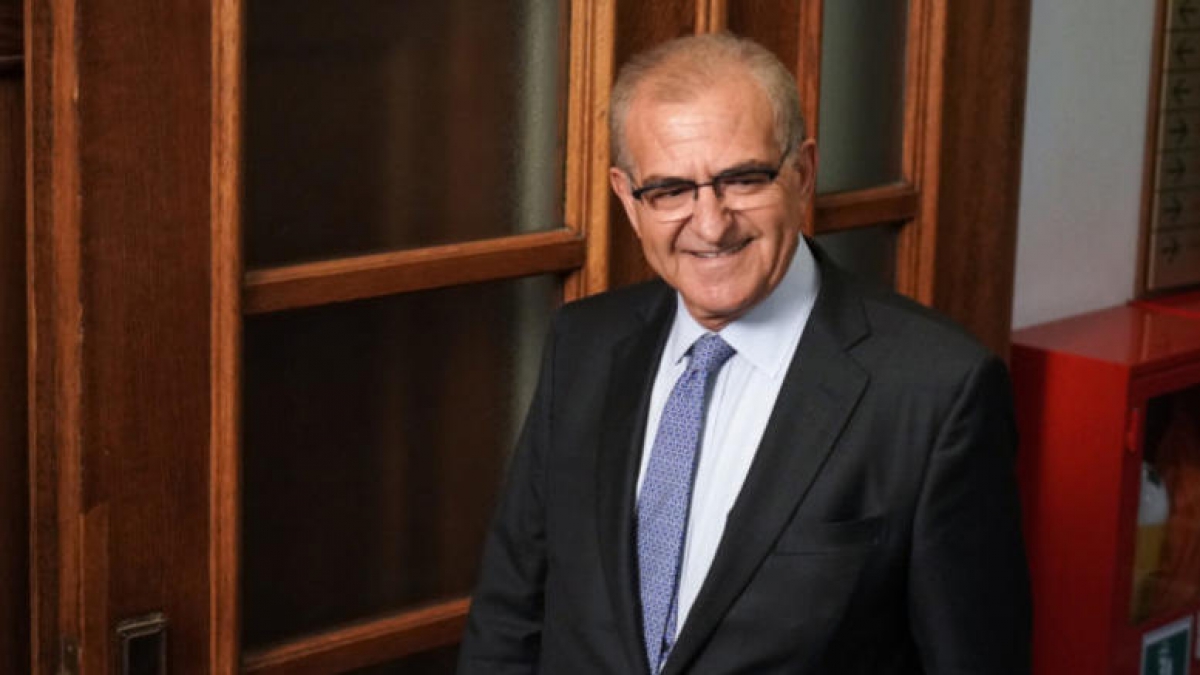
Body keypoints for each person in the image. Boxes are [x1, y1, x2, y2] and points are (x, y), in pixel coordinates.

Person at [458, 33, 1030, 674]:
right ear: (628, 198)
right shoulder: (583, 343)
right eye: (670, 190)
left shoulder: (938, 390)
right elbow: (509, 616)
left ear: (803, 173)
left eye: (743, 179)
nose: (710, 224)